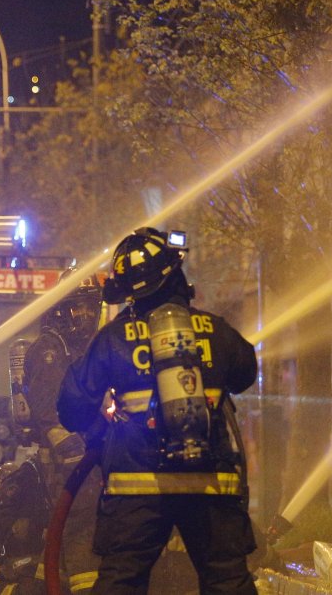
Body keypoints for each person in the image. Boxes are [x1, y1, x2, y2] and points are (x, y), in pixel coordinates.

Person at [57, 228, 259, 594]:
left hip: (137, 486)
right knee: (228, 581)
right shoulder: (215, 329)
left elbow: (72, 406)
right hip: (211, 481)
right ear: (175, 274)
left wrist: (99, 431)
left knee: (121, 582)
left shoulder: (114, 337)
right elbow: (245, 374)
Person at [0, 269, 104, 594]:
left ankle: (38, 589)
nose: (85, 315)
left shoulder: (84, 348)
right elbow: (46, 409)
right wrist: (73, 452)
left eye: (90, 307)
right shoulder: (50, 349)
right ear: (60, 309)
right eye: (77, 307)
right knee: (81, 528)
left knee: (60, 537)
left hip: (85, 456)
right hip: (64, 464)